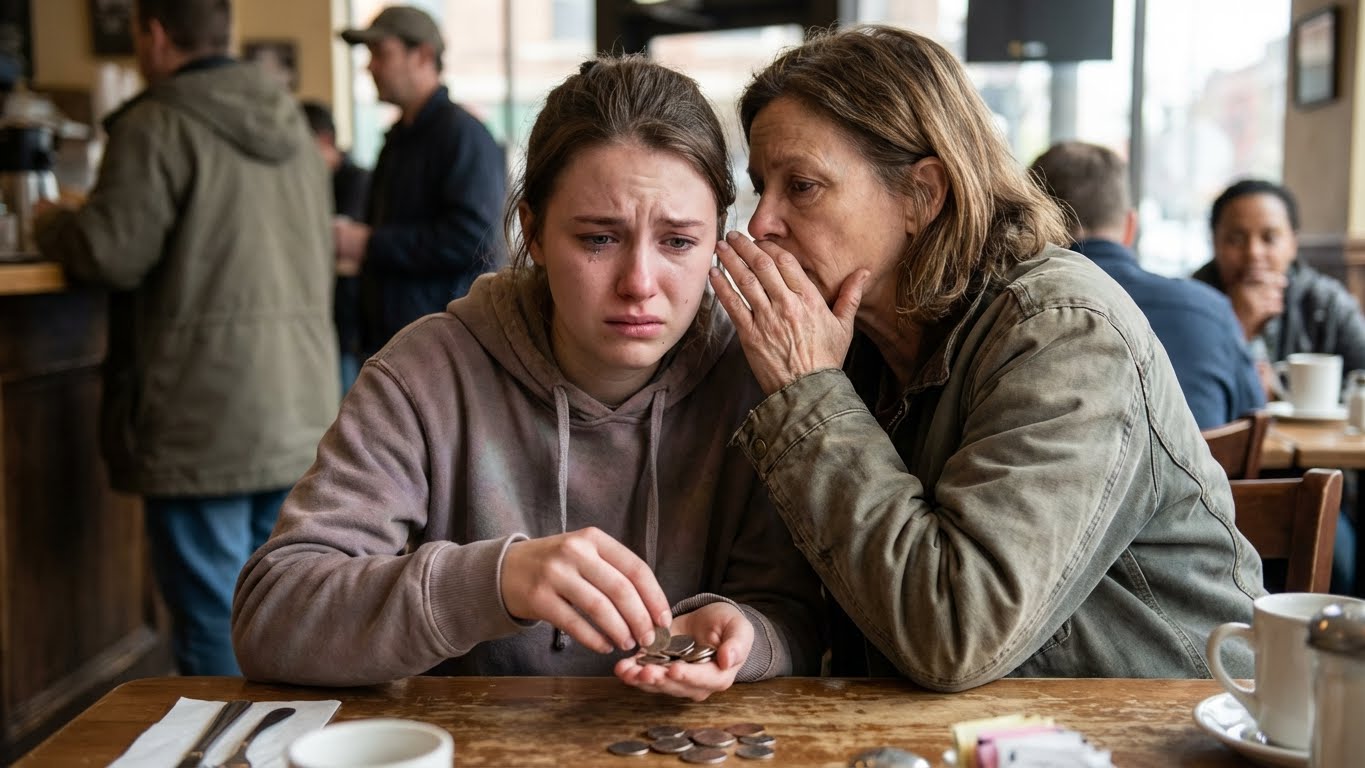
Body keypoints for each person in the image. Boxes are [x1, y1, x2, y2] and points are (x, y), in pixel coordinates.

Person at [232, 56, 823, 699]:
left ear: (718, 240)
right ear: (533, 233)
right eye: (599, 238)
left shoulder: (758, 380)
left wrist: (748, 634)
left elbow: (794, 615)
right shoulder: (427, 373)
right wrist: (497, 581)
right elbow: (271, 615)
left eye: (679, 242)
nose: (640, 284)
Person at [710, 25, 1263, 691]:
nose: (759, 223)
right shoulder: (848, 341)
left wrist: (808, 393)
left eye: (799, 186)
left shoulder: (1062, 333)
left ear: (921, 195)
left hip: (1161, 730)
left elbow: (953, 634)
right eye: (759, 186)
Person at [33, 0, 337, 675]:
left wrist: (50, 223)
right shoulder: (290, 118)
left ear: (156, 35)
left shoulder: (156, 122)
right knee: (276, 610)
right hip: (295, 400)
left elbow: (110, 252)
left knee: (211, 620)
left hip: (201, 409)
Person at [1195, 178, 1363, 595]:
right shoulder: (1194, 303)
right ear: (1214, 242)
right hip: (1217, 489)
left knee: (1338, 552)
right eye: (1236, 238)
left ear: (1293, 243)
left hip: (1316, 480)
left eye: (1269, 237)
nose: (1254, 253)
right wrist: (1236, 326)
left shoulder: (1325, 303)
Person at [1028, 141, 1264, 429]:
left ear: (1031, 225)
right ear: (1130, 227)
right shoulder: (1211, 309)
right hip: (1199, 475)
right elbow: (1254, 428)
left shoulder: (1017, 313)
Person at [336, 5, 506, 356]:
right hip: (397, 344)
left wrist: (369, 244)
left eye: (381, 53)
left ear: (424, 55)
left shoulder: (462, 135)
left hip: (442, 351)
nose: (369, 66)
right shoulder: (399, 137)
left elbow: (474, 239)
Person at [302, 100, 372, 393]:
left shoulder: (356, 179)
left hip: (350, 318)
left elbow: (340, 242)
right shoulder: (306, 183)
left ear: (325, 140)